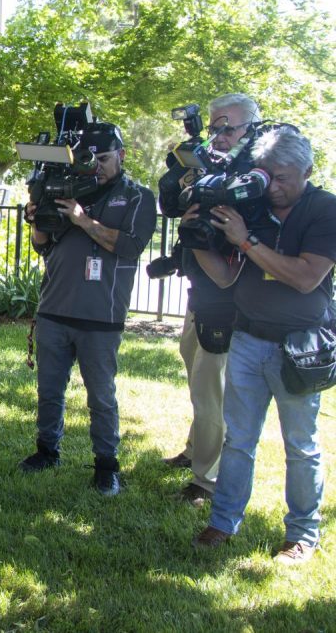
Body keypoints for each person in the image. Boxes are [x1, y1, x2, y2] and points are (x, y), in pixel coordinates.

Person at [190, 126, 335, 564]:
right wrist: (194, 237)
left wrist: (245, 240)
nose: (272, 186)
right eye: (265, 175)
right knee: (240, 440)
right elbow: (224, 276)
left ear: (307, 171)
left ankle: (301, 535)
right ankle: (223, 521)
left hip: (299, 348)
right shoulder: (251, 205)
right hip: (248, 338)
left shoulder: (324, 210)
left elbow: (307, 277)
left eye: (283, 177)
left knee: (300, 445)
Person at [19, 122, 157, 496]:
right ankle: (47, 451)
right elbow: (44, 246)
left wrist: (82, 219)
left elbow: (129, 246)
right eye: (92, 159)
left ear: (123, 156)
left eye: (106, 159)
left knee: (101, 397)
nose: (97, 166)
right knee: (49, 390)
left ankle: (106, 466)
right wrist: (38, 219)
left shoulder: (138, 197)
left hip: (101, 317)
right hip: (54, 309)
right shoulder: (67, 187)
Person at [162, 93, 261, 507]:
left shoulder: (255, 174)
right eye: (215, 126)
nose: (218, 135)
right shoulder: (209, 166)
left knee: (211, 390)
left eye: (229, 127)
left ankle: (207, 478)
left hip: (226, 298)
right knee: (197, 378)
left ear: (250, 129)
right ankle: (196, 449)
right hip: (198, 291)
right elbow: (170, 202)